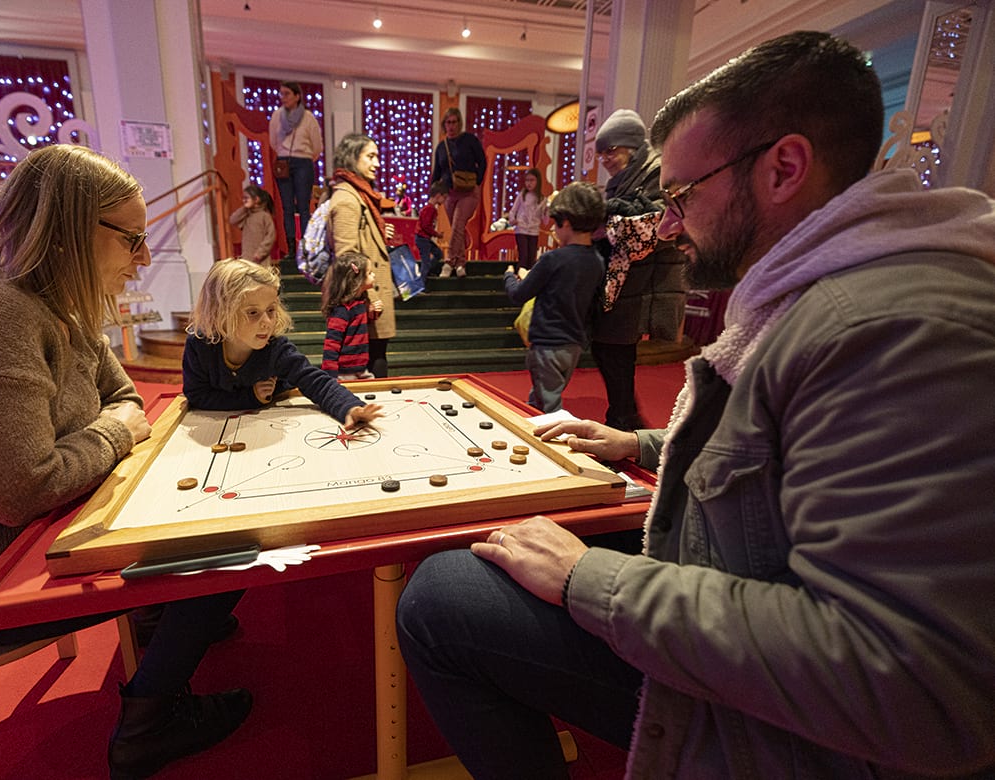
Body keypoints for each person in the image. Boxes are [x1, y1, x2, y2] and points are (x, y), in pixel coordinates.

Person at [396, 30, 995, 779]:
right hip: (737, 599)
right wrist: (636, 447)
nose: (671, 221)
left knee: (436, 601)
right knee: (483, 562)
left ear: (784, 167)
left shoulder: (894, 330)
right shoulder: (836, 289)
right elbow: (778, 455)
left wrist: (592, 580)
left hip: (801, 739)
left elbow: (915, 687)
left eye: (681, 195)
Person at [0, 144, 253, 779]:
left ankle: (154, 616)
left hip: (40, 531)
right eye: (131, 239)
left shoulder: (60, 310)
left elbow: (124, 400)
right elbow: (22, 489)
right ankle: (150, 721)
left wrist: (101, 435)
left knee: (213, 522)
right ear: (69, 231)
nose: (144, 258)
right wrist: (111, 437)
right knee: (231, 546)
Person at [183, 257, 382, 428]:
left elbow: (315, 381)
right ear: (221, 314)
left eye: (271, 310)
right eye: (253, 313)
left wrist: (349, 407)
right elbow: (197, 395)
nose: (267, 322)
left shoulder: (275, 348)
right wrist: (250, 397)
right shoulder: (199, 346)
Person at [589, 108, 687, 431]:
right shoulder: (622, 180)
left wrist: (606, 224)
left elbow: (656, 226)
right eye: (601, 152)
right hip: (624, 279)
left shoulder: (657, 172)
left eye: (611, 150)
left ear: (631, 145)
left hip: (645, 280)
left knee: (616, 351)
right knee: (605, 348)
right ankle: (624, 414)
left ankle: (621, 421)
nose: (605, 158)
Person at [502, 181, 606, 413]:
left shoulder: (554, 259)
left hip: (547, 343)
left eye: (555, 224)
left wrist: (510, 276)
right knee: (543, 394)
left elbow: (518, 294)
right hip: (573, 345)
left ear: (566, 222)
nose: (553, 230)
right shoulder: (597, 261)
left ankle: (559, 444)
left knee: (551, 407)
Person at [328, 133, 396, 378]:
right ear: (352, 159)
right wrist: (370, 297)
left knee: (376, 355)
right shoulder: (347, 199)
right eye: (370, 156)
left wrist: (378, 233)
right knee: (371, 361)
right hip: (364, 300)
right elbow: (347, 258)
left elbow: (360, 243)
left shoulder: (359, 194)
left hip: (366, 297)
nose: (377, 163)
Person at [430, 107, 487, 278]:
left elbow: (482, 162)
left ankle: (448, 263)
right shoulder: (441, 147)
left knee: (457, 225)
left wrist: (477, 182)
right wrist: (432, 196)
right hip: (449, 193)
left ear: (459, 123)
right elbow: (436, 173)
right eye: (448, 122)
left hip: (469, 192)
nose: (451, 126)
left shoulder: (470, 140)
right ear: (444, 124)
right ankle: (460, 263)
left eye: (454, 122)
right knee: (458, 229)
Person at [269, 80, 323, 258]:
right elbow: (273, 141)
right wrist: (285, 155)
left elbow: (317, 146)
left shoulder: (308, 118)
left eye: (287, 94)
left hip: (303, 162)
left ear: (297, 96)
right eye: (281, 94)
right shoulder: (277, 116)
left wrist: (304, 158)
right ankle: (291, 247)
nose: (282, 98)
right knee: (287, 207)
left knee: (304, 207)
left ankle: (306, 247)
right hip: (284, 162)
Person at [320, 250, 376, 381]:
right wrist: (330, 377)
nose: (373, 275)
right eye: (369, 273)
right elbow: (332, 344)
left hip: (361, 369)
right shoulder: (341, 310)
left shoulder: (360, 302)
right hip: (344, 373)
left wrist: (372, 313)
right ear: (356, 279)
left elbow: (359, 326)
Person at [505, 167, 547, 269]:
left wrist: (547, 212)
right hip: (521, 229)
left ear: (538, 181)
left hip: (534, 231)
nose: (529, 183)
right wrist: (512, 220)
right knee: (523, 256)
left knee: (531, 258)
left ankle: (529, 279)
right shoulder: (522, 195)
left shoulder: (542, 199)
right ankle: (520, 278)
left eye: (532, 180)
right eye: (527, 180)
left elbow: (545, 220)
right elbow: (513, 211)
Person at [229, 183, 277, 266]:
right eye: (243, 198)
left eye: (247, 198)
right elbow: (232, 220)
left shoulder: (264, 216)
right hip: (247, 258)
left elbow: (270, 236)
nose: (244, 200)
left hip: (261, 259)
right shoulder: (247, 215)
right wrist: (245, 208)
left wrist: (261, 252)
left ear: (256, 199)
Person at [414, 181, 447, 280]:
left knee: (438, 254)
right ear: (438, 196)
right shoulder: (430, 209)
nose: (444, 201)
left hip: (425, 238)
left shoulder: (430, 209)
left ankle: (428, 272)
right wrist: (437, 234)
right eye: (444, 198)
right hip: (422, 238)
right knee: (426, 261)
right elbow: (426, 226)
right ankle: (422, 282)